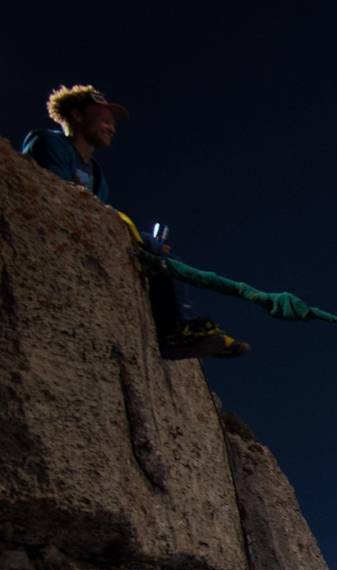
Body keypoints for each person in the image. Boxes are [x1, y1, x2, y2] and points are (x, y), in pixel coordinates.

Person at [22, 84, 249, 362]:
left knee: (161, 254)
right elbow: (51, 194)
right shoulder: (49, 143)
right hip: (50, 242)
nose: (111, 126)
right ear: (77, 116)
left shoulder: (97, 176)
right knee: (144, 241)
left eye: (113, 122)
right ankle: (173, 332)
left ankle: (179, 325)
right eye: (103, 118)